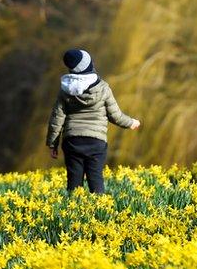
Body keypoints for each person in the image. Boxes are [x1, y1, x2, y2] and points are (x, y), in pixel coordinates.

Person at [46, 48, 140, 193]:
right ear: (90, 66)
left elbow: (57, 118)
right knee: (95, 179)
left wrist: (53, 143)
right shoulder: (103, 88)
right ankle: (98, 211)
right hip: (96, 142)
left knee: (74, 182)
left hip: (72, 141)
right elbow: (115, 116)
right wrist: (131, 123)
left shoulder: (65, 90)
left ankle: (73, 212)